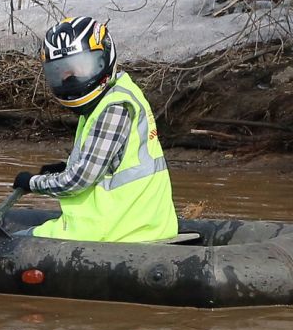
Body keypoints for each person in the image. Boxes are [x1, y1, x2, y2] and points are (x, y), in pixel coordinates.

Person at [13, 16, 178, 244]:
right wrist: (64, 166)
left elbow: (79, 180)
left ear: (103, 60)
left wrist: (33, 183)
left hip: (110, 233)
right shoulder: (118, 94)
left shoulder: (114, 107)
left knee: (12, 243)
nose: (70, 79)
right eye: (61, 71)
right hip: (144, 225)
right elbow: (112, 163)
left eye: (79, 67)